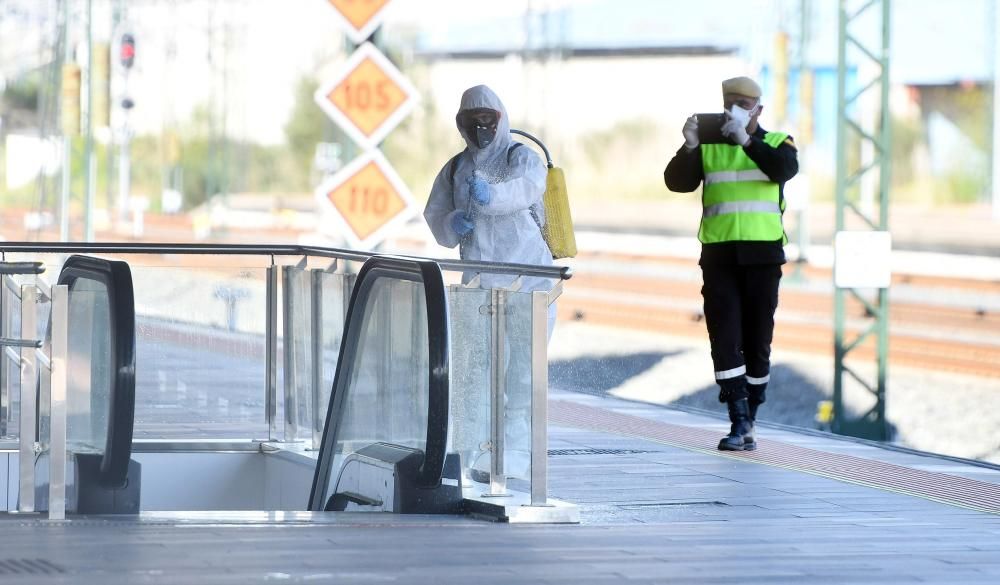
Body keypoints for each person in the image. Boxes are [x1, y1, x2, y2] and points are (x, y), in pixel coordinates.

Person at [424, 84, 555, 478]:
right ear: (460, 125)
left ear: (500, 119)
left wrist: (490, 195)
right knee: (478, 371)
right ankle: (475, 450)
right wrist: (451, 223)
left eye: (486, 121)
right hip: (480, 287)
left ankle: (517, 452)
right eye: (471, 123)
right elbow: (436, 216)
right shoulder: (455, 169)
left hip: (529, 281)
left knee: (522, 372)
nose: (480, 130)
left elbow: (525, 190)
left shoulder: (522, 158)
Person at [663, 76, 799, 451]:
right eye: (730, 103)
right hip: (720, 256)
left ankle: (752, 413)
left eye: (744, 103)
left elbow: (783, 169)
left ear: (758, 109)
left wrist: (746, 141)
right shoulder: (709, 146)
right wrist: (689, 147)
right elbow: (676, 182)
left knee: (758, 341)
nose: (735, 109)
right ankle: (738, 419)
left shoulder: (776, 143)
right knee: (724, 337)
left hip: (762, 258)